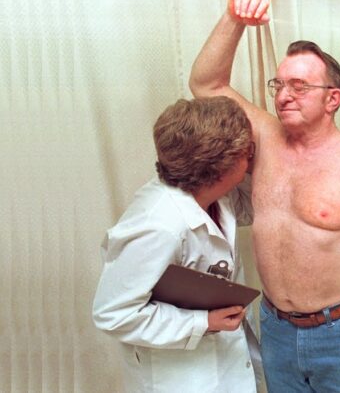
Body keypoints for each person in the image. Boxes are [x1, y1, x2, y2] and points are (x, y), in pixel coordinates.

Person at [189, 0, 340, 393]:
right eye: (279, 84)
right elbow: (206, 84)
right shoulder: (265, 138)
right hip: (276, 327)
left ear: (333, 99)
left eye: (299, 85)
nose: (283, 95)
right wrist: (234, 19)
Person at [92, 97, 261, 393]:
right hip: (180, 377)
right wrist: (202, 322)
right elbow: (113, 314)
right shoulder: (158, 226)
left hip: (223, 362)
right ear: (221, 169)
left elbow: (252, 205)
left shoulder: (213, 194)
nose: (252, 157)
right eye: (247, 152)